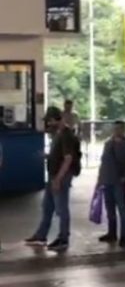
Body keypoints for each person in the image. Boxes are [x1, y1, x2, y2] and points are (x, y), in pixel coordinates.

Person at [26, 107, 80, 251]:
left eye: (50, 121)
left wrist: (58, 179)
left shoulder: (66, 135)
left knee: (61, 209)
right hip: (53, 175)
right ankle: (41, 235)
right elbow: (60, 156)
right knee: (47, 207)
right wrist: (48, 156)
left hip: (60, 176)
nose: (49, 124)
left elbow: (68, 159)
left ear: (57, 119)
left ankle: (63, 239)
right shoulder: (59, 134)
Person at [97, 121, 125, 247]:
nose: (116, 131)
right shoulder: (108, 144)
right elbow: (103, 162)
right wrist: (100, 180)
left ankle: (124, 236)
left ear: (124, 130)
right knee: (110, 209)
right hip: (107, 180)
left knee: (122, 208)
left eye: (119, 129)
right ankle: (112, 233)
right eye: (115, 129)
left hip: (118, 182)